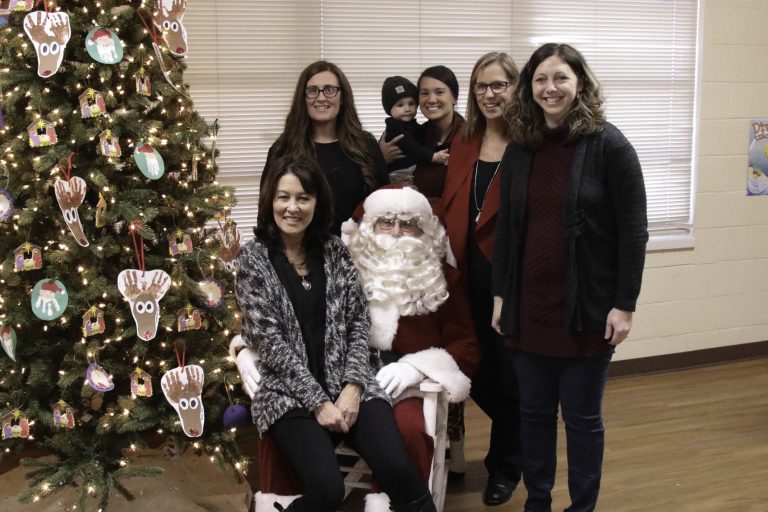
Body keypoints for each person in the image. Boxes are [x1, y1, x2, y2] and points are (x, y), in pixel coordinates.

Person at [233, 186, 479, 512]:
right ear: (370, 227)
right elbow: (289, 319)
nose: (396, 232)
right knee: (283, 433)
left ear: (424, 230)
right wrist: (244, 349)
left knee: (406, 432)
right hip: (339, 371)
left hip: (409, 383)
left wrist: (417, 367)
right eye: (386, 222)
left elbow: (466, 345)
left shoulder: (443, 278)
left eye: (407, 224)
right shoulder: (348, 263)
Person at [492, 43, 648, 512]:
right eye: (541, 79)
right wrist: (501, 296)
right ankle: (537, 501)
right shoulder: (520, 148)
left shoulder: (609, 145)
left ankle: (582, 507)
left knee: (582, 420)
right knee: (534, 414)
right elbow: (508, 231)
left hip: (587, 310)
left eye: (560, 77)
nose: (550, 88)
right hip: (529, 308)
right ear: (529, 88)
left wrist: (625, 304)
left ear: (580, 83)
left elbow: (633, 232)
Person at [440, 51, 522, 506]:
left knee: (507, 378)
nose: (489, 94)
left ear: (515, 88)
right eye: (480, 86)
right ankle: (525, 427)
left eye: (498, 85)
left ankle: (505, 468)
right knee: (472, 367)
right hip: (463, 273)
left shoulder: (529, 143)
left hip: (509, 278)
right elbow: (453, 203)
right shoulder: (466, 139)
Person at [262, 61, 389, 235]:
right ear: (303, 99)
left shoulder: (366, 146)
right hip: (298, 250)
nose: (321, 98)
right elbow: (266, 212)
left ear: (342, 97)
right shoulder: (283, 148)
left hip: (356, 248)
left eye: (329, 90)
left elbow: (385, 206)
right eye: (312, 91)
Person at [380, 75, 449, 185]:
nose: (407, 109)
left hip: (411, 170)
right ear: (389, 109)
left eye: (411, 104)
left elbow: (421, 135)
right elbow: (411, 147)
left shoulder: (412, 125)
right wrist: (434, 157)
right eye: (400, 105)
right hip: (399, 174)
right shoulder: (394, 128)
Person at [412, 65, 465, 201]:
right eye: (424, 93)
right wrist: (383, 158)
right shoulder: (415, 136)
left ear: (454, 98)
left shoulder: (471, 137)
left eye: (439, 92)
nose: (431, 99)